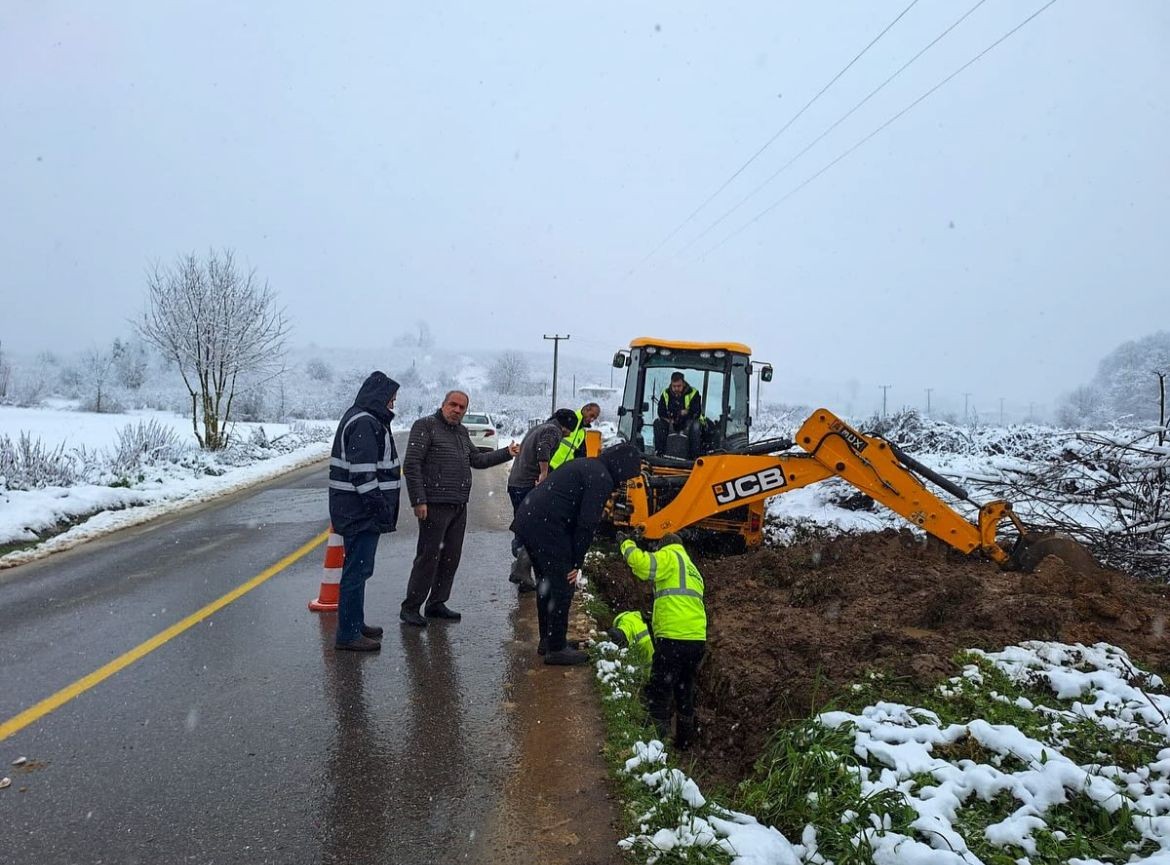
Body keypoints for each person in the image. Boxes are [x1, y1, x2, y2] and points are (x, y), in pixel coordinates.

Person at [511, 443, 643, 665]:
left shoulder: (589, 466)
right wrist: (576, 562)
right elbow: (587, 523)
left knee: (546, 584)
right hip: (547, 526)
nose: (625, 481)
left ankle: (549, 640)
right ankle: (556, 649)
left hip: (531, 519)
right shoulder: (602, 478)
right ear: (622, 468)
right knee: (563, 585)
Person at [400, 390, 519, 627]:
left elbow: (478, 460)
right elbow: (412, 464)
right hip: (434, 504)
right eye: (453, 405)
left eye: (462, 407)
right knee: (428, 557)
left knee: (451, 557)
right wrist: (418, 500)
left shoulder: (461, 432)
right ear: (443, 404)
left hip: (458, 504)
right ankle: (411, 607)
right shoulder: (425, 426)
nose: (457, 410)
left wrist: (507, 453)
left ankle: (436, 603)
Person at [327, 371, 402, 652]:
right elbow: (362, 474)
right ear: (379, 397)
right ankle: (348, 634)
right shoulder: (365, 423)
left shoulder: (364, 418)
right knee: (356, 572)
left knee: (359, 570)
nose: (392, 405)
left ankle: (354, 623)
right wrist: (379, 507)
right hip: (359, 513)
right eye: (391, 400)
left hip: (355, 511)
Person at [617, 532, 706, 749]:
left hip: (674, 638)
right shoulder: (693, 570)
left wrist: (626, 544)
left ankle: (656, 746)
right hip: (697, 640)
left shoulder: (670, 555)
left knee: (660, 688)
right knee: (684, 690)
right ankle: (684, 743)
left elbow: (642, 565)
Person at [506, 408, 579, 592]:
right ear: (566, 426)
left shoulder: (541, 427)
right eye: (570, 430)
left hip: (516, 483)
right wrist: (544, 474)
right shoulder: (553, 430)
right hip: (526, 485)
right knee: (537, 529)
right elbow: (543, 448)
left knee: (523, 527)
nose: (569, 434)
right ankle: (522, 569)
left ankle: (520, 569)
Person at [653, 372, 702, 458]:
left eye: (679, 386)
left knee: (696, 427)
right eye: (674, 386)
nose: (676, 388)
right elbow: (661, 411)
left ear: (683, 383)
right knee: (658, 423)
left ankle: (694, 456)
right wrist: (670, 418)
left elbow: (696, 411)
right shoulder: (666, 394)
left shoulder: (693, 393)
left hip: (689, 422)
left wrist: (685, 414)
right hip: (670, 421)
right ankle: (660, 452)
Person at [548, 402, 601, 470]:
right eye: (591, 415)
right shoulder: (567, 418)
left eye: (595, 418)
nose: (592, 420)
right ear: (586, 409)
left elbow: (580, 455)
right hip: (548, 466)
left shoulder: (582, 433)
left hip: (562, 471)